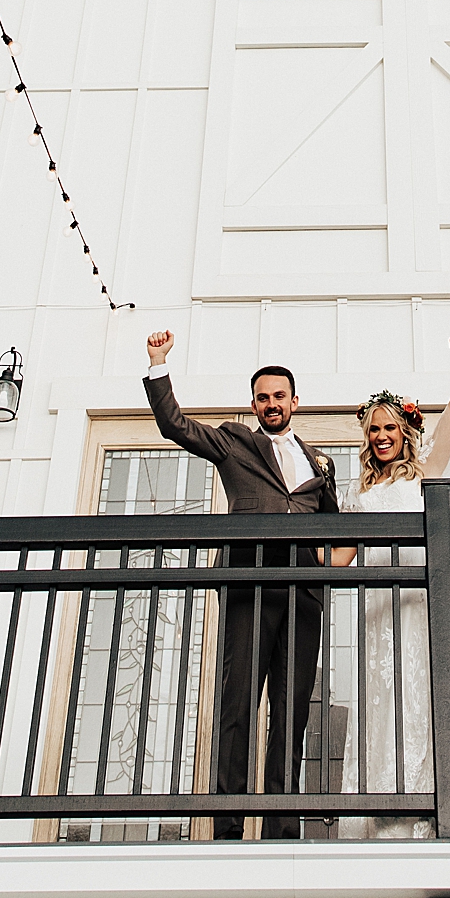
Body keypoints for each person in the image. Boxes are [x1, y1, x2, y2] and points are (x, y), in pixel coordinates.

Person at [144, 331, 338, 840]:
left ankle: (280, 826)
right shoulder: (235, 441)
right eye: (262, 397)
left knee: (291, 711)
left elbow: (336, 531)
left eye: (279, 395)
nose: (270, 404)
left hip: (302, 597)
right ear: (253, 404)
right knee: (238, 705)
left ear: (295, 401)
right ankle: (227, 824)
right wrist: (159, 364)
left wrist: (335, 569)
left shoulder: (321, 462)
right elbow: (175, 425)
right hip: (249, 587)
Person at [332, 322, 450, 840]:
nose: (382, 436)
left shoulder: (424, 474)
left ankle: (444, 807)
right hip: (380, 611)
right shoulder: (360, 494)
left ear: (404, 432)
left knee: (433, 691)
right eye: (373, 430)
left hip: (424, 603)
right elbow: (337, 557)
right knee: (386, 696)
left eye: (390, 428)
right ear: (366, 438)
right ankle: (389, 812)